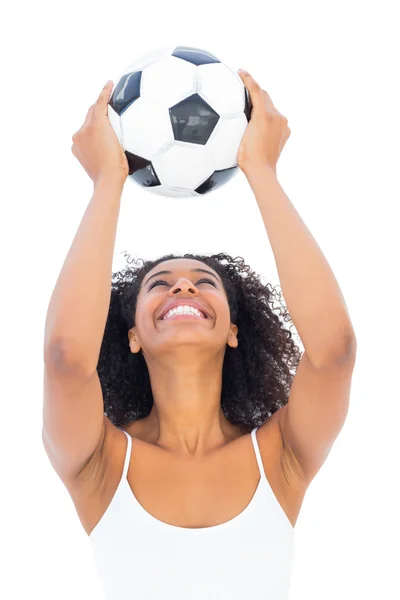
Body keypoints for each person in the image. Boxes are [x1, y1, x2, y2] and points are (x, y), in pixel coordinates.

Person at [42, 70, 357, 599]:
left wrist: (262, 170)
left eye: (203, 282)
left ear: (234, 330)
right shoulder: (98, 461)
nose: (182, 286)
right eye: (158, 285)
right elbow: (66, 357)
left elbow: (334, 352)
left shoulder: (281, 454)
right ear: (132, 334)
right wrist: (106, 183)